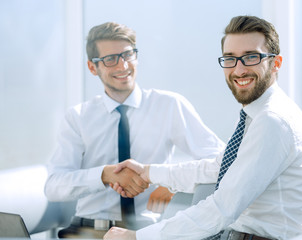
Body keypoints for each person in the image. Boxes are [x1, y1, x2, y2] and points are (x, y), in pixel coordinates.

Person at [104, 15, 302, 240]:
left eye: (251, 57)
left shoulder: (273, 121)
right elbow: (217, 169)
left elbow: (222, 208)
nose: (239, 70)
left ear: (275, 63)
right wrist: (148, 172)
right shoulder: (258, 116)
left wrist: (137, 238)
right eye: (230, 59)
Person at [44, 22, 224, 239]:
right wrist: (104, 174)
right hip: (89, 231)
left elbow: (219, 158)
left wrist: (174, 184)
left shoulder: (169, 106)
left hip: (146, 231)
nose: (123, 66)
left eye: (128, 55)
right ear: (93, 67)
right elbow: (53, 186)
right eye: (110, 59)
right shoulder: (78, 117)